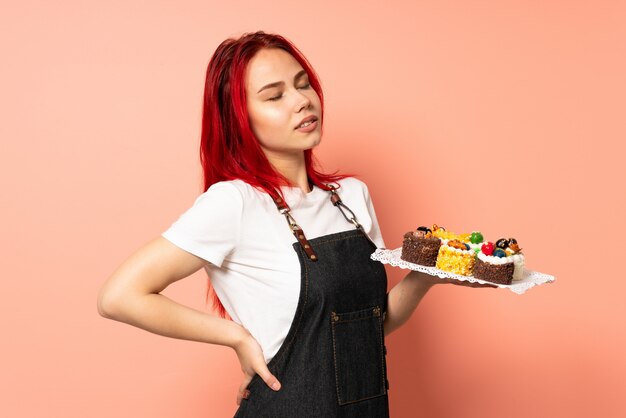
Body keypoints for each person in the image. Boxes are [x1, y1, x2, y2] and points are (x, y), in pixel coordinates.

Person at [97, 31, 493, 417]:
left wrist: (424, 279)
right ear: (239, 119)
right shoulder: (235, 203)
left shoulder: (352, 196)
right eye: (275, 96)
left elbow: (365, 328)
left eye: (304, 85)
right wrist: (236, 337)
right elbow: (119, 296)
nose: (302, 101)